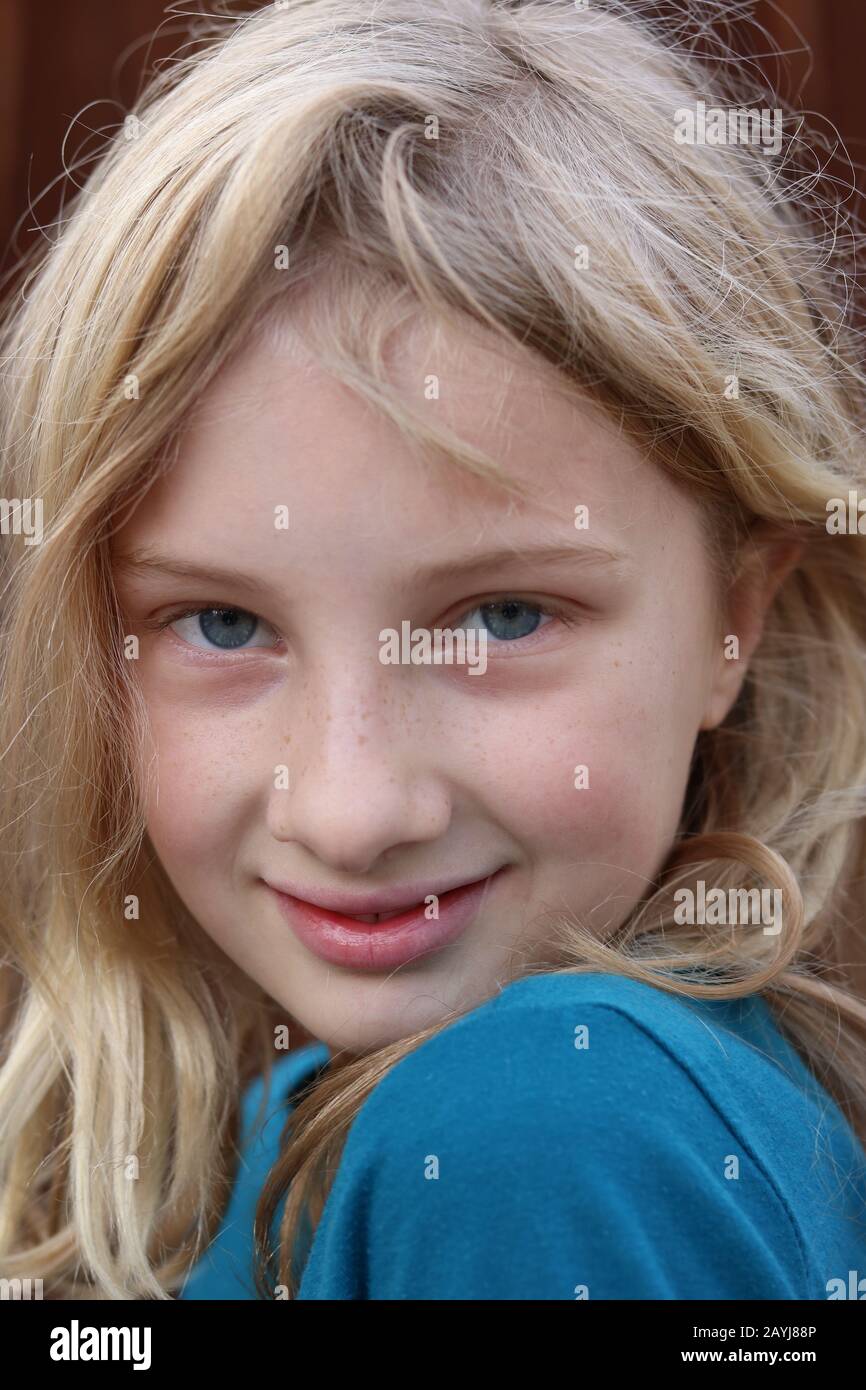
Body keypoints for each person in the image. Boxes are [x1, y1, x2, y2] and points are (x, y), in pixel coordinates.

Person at [1, 0, 865, 1301]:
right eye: (222, 624)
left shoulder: (534, 1130)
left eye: (501, 617)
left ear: (730, 620)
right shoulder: (340, 1109)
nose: (351, 814)